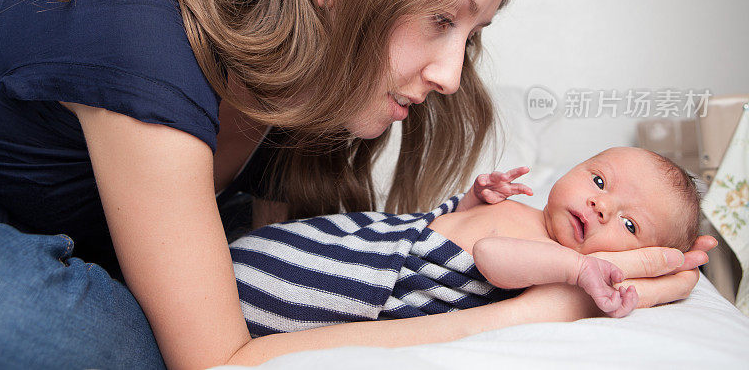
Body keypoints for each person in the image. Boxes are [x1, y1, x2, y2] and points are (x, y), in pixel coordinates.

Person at [0, 0, 712, 368]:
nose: (452, 72)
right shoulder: (143, 35)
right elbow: (219, 357)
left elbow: (285, 302)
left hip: (76, 247)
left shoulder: (299, 117)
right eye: (441, 18)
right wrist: (540, 311)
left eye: (472, 31)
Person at [230, 147, 702, 336]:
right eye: (599, 181)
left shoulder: (558, 261)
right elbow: (456, 229)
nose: (602, 207)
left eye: (630, 224)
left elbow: (490, 256)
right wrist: (475, 200)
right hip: (376, 237)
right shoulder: (531, 216)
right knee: (262, 253)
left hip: (373, 277)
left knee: (261, 292)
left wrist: (577, 271)